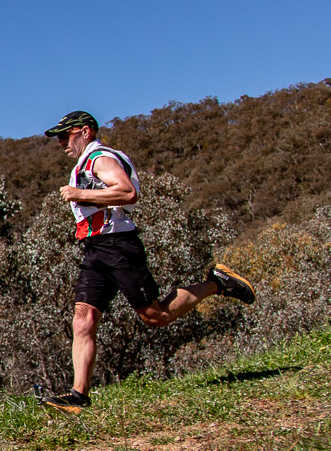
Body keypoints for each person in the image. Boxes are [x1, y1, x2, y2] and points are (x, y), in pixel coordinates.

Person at [41, 110, 256, 413]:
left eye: (66, 135)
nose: (61, 142)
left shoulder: (100, 159)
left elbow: (128, 192)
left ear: (85, 131)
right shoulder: (86, 162)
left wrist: (79, 193)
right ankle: (79, 396)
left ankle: (216, 283)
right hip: (95, 248)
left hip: (118, 245)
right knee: (83, 318)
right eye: (58, 137)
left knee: (156, 316)